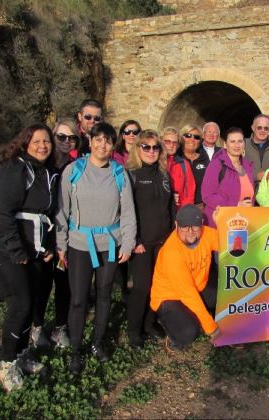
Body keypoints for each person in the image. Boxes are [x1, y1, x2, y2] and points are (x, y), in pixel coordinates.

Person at [0, 123, 58, 393]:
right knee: (21, 305)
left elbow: (42, 217)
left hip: (29, 250)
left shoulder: (42, 171)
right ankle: (6, 362)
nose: (42, 146)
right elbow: (2, 215)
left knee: (33, 301)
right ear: (25, 143)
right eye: (36, 141)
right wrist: (17, 252)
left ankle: (22, 352)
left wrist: (44, 248)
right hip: (4, 250)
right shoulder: (15, 169)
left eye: (46, 141)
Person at [56, 122, 136, 375]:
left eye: (108, 141)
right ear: (90, 141)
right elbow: (62, 210)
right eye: (98, 139)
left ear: (114, 146)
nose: (103, 145)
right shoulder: (74, 170)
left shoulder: (119, 174)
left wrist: (129, 242)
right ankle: (76, 350)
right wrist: (60, 244)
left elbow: (128, 213)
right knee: (78, 300)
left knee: (103, 296)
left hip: (109, 245)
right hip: (79, 244)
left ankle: (97, 342)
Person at [26, 119, 80, 350]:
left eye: (72, 138)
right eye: (61, 137)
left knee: (64, 281)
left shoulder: (76, 166)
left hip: (66, 234)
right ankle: (36, 327)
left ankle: (60, 327)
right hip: (43, 236)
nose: (67, 142)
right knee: (41, 283)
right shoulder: (41, 166)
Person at [125, 130, 173, 348]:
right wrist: (134, 240)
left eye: (155, 147)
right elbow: (126, 211)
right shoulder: (131, 175)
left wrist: (172, 235)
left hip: (162, 241)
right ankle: (133, 330)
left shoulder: (163, 174)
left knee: (157, 286)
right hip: (141, 243)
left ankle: (149, 323)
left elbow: (170, 206)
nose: (151, 151)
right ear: (138, 148)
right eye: (146, 146)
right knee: (141, 287)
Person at [150, 204, 220, 351]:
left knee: (226, 292)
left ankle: (195, 315)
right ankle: (174, 333)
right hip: (169, 297)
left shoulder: (206, 234)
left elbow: (230, 242)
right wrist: (212, 328)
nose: (190, 232)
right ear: (176, 226)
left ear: (201, 224)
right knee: (189, 333)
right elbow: (188, 294)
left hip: (198, 287)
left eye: (194, 227)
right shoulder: (172, 252)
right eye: (184, 227)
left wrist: (223, 221)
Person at [202, 127, 254, 227]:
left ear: (244, 143)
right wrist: (236, 204)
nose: (237, 145)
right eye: (232, 141)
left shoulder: (247, 166)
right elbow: (207, 195)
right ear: (225, 144)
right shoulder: (216, 165)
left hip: (241, 222)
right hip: (220, 222)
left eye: (240, 141)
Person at [162, 126, 196, 208]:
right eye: (167, 142)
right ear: (161, 142)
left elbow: (190, 194)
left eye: (175, 142)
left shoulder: (184, 164)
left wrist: (184, 215)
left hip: (178, 210)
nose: (171, 145)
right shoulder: (154, 162)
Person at [179, 124, 210, 208]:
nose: (192, 139)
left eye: (196, 137)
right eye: (188, 135)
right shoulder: (175, 159)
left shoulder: (205, 160)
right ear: (181, 138)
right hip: (179, 206)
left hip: (201, 206)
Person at [244, 114, 269, 187]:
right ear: (253, 127)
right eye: (259, 127)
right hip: (248, 193)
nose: (263, 131)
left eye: (266, 128)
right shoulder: (242, 145)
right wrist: (255, 176)